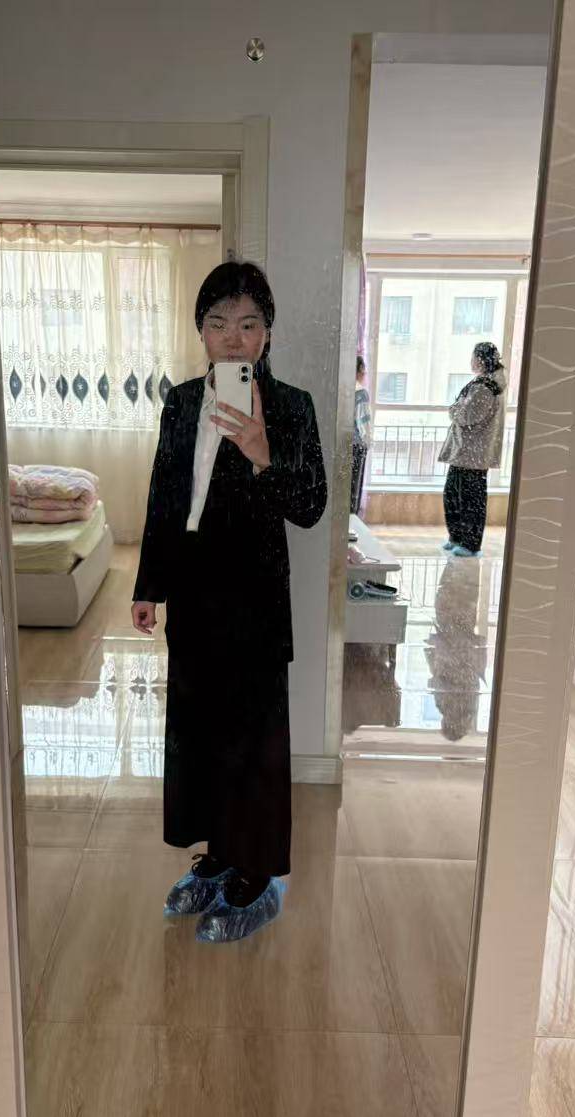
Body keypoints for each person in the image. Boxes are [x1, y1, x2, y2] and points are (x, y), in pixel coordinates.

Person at [131, 261, 328, 944]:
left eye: (248, 324)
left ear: (267, 332)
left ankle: (254, 868)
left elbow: (311, 505)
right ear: (201, 333)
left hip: (255, 599)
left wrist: (261, 449)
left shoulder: (292, 405)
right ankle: (217, 853)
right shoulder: (183, 402)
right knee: (200, 732)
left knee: (255, 739)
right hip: (194, 593)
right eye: (218, 324)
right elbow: (165, 495)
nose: (233, 338)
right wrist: (149, 585)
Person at [439, 341, 506, 557]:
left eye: (473, 357)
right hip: (468, 454)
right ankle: (457, 537)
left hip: (472, 454)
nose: (471, 361)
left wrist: (454, 409)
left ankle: (469, 543)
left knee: (470, 501)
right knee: (454, 495)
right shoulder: (484, 384)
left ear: (480, 360)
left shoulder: (485, 388)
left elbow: (466, 415)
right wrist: (458, 407)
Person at [352, 355, 373, 515]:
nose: (364, 375)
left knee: (345, 486)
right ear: (359, 371)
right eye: (363, 371)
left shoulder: (344, 389)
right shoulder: (361, 393)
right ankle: (352, 519)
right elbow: (364, 422)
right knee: (355, 487)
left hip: (344, 444)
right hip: (357, 444)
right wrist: (368, 442)